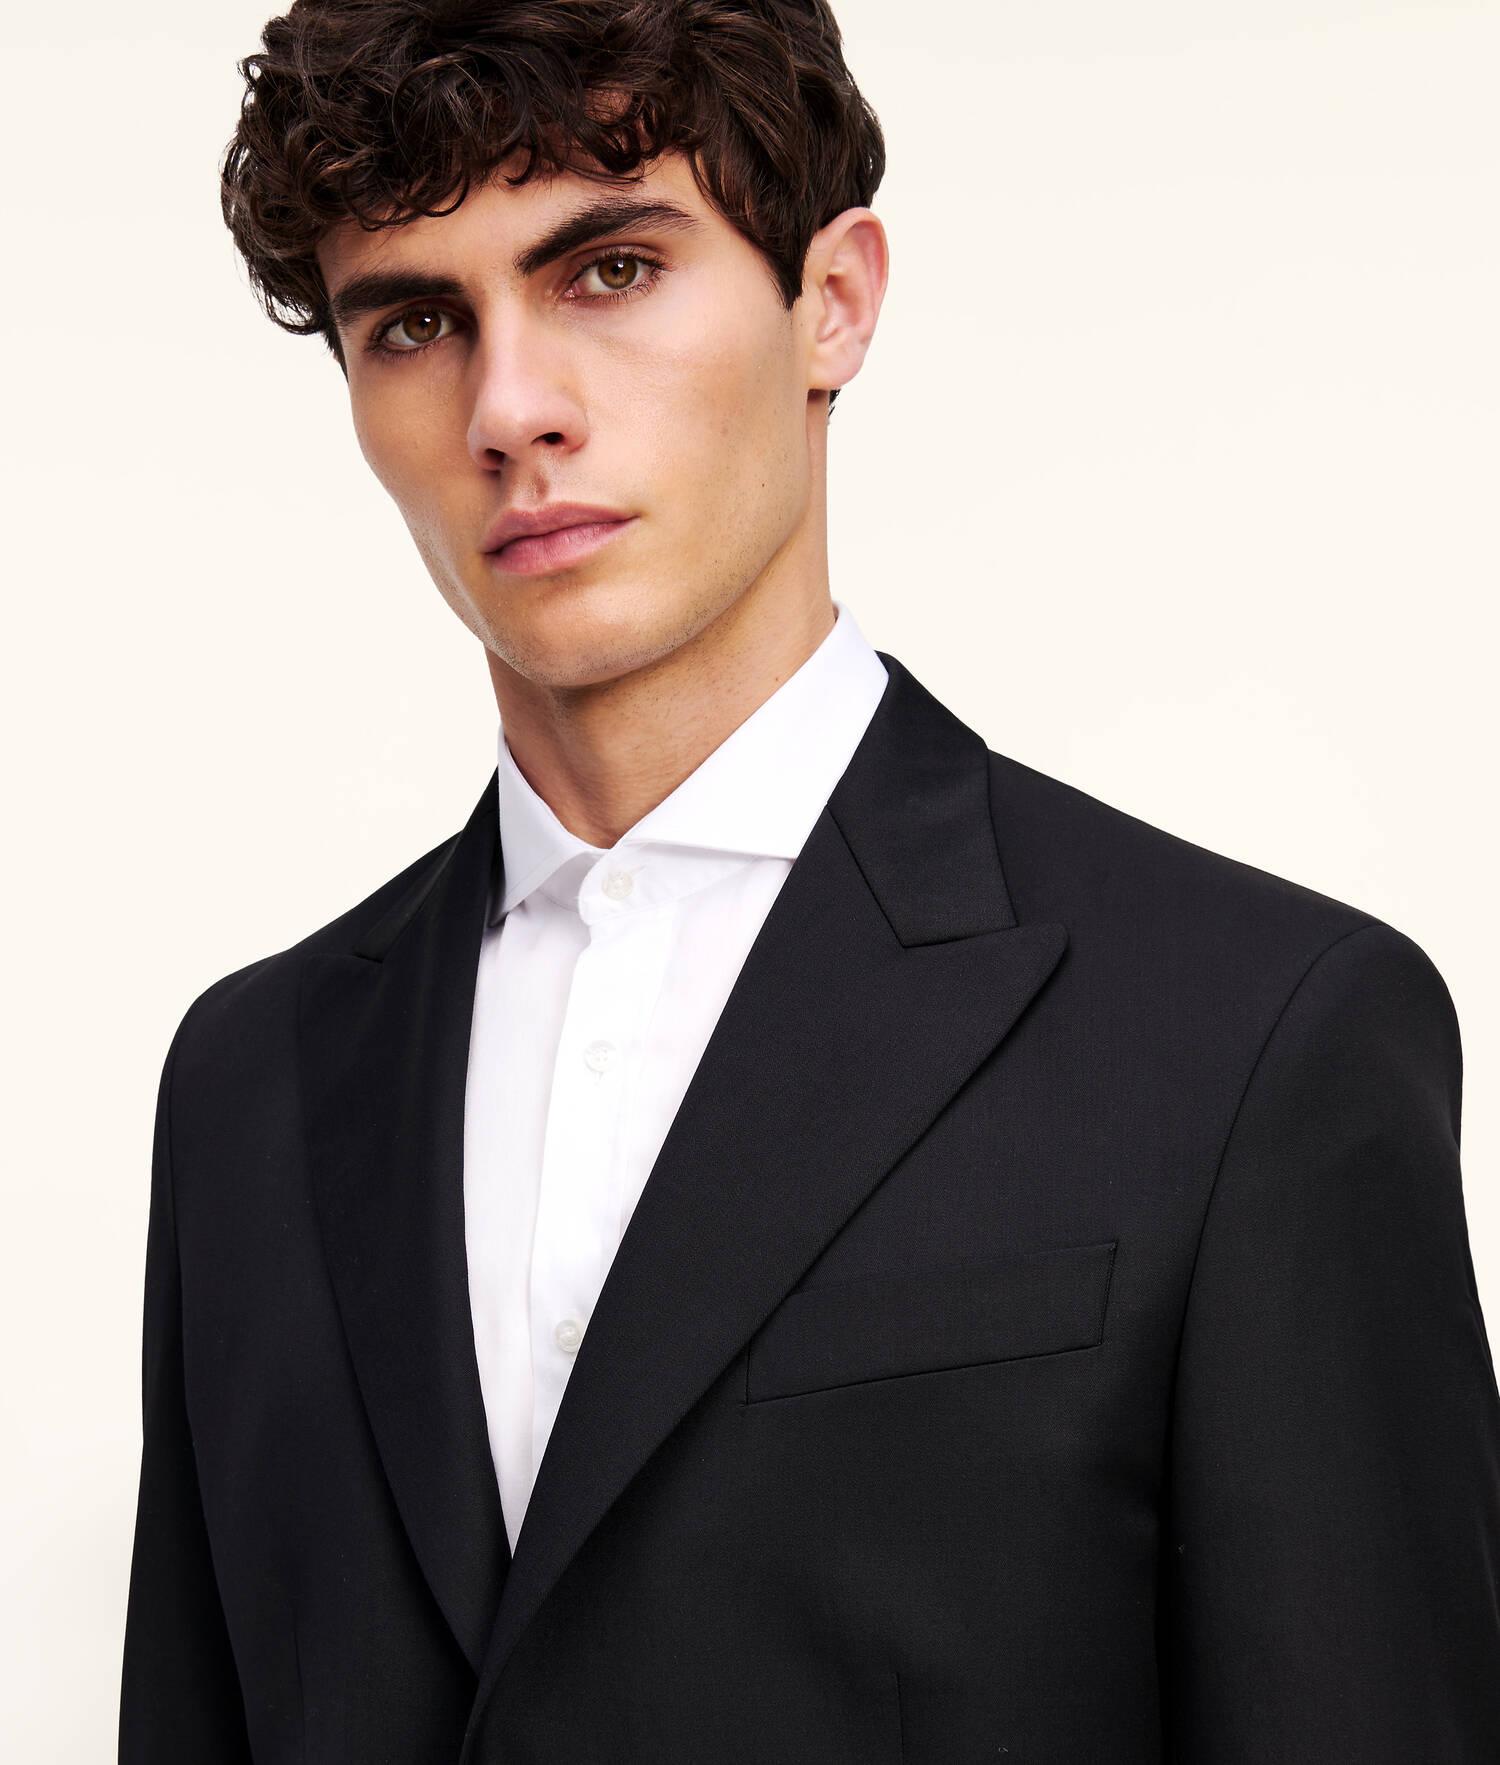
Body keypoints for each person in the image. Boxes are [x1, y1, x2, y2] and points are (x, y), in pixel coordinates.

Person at [119, 1, 1500, 1760]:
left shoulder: (1256, 1043)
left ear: (833, 299)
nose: (511, 408)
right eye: (414, 322)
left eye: (610, 270)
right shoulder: (248, 1085)